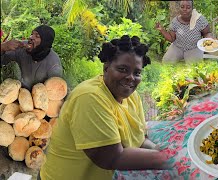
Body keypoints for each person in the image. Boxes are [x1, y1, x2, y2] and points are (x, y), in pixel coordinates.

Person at [39, 35, 169, 180]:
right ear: (106, 68)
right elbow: (112, 158)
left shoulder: (132, 97)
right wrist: (169, 159)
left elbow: (140, 140)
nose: (131, 77)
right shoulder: (89, 97)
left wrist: (159, 150)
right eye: (123, 69)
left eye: (137, 73)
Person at [1, 25, 62, 90]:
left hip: (41, 97)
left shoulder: (54, 64)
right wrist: (3, 47)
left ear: (45, 42)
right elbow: (3, 59)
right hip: (22, 92)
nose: (31, 37)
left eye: (37, 36)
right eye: (31, 34)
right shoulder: (22, 48)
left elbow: (55, 91)